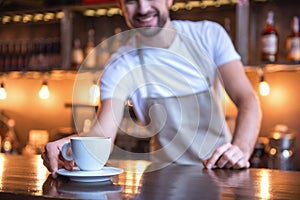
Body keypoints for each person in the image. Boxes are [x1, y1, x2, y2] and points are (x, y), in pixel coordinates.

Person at [42, 0, 262, 177]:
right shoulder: (120, 64)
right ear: (120, 6)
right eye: (130, 1)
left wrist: (240, 150)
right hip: (163, 178)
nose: (143, 8)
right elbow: (103, 135)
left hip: (220, 173)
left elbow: (248, 100)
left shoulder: (209, 35)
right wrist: (71, 147)